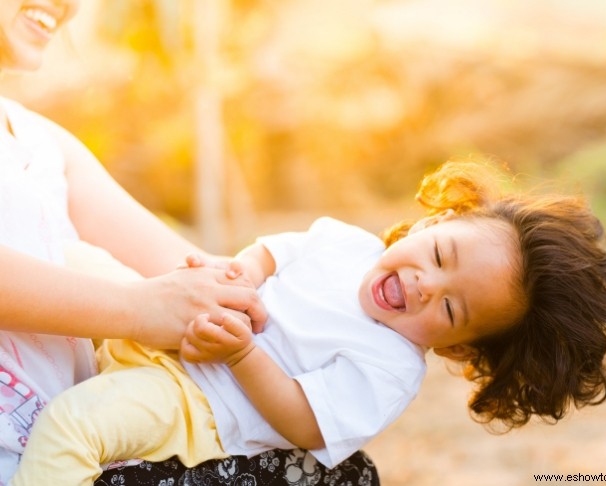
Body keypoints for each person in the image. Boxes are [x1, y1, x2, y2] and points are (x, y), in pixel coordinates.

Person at [10, 160, 606, 485]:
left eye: (451, 308)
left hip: (190, 397)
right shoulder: (343, 242)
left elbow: (301, 420)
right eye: (441, 254)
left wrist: (240, 356)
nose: (426, 284)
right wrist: (238, 278)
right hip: (172, 324)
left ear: (461, 346)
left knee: (77, 426)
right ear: (431, 224)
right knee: (66, 261)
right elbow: (267, 254)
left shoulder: (390, 370)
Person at [1, 2, 379, 485]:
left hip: (73, 457)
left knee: (342, 472)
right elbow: (157, 302)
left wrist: (361, 325)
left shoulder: (43, 142)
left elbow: (194, 273)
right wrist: (140, 309)